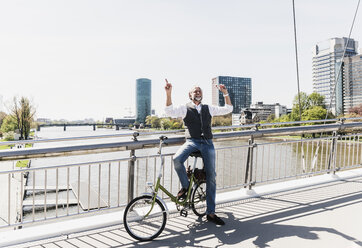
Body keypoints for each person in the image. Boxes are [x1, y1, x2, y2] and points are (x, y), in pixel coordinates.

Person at [164, 79, 233, 225]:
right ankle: (186, 185)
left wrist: (225, 93)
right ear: (190, 95)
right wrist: (168, 93)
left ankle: (211, 213)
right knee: (177, 159)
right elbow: (168, 111)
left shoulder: (209, 108)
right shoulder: (184, 108)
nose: (198, 92)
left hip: (207, 143)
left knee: (211, 177)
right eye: (195, 90)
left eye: (199, 90)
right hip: (192, 141)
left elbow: (228, 109)